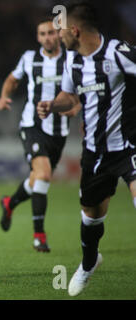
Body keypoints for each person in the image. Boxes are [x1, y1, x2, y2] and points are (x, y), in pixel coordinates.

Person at [37, 1, 136, 296]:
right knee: (91, 217)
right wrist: (53, 104)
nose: (58, 36)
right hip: (95, 153)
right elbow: (69, 96)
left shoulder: (119, 54)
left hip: (129, 147)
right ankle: (90, 262)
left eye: (61, 30)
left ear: (75, 30)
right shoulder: (72, 61)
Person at [0, 17, 81, 252]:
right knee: (42, 175)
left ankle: (10, 202)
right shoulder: (29, 58)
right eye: (42, 34)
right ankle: (39, 236)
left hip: (58, 131)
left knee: (37, 180)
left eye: (51, 33)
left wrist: (75, 108)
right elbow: (13, 80)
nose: (47, 38)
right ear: (37, 37)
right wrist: (4, 97)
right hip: (32, 126)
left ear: (59, 35)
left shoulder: (70, 59)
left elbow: (83, 89)